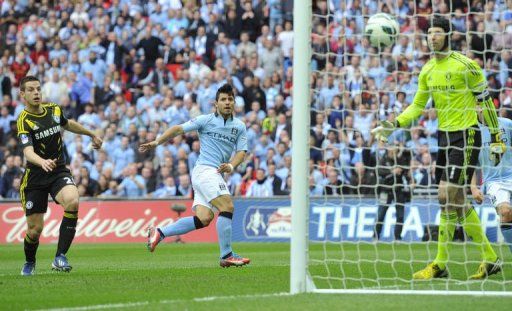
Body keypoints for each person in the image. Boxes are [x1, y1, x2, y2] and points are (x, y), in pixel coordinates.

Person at [372, 17, 503, 280]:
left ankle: (444, 262)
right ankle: (487, 258)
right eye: (429, 33)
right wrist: (393, 124)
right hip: (443, 138)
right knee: (451, 199)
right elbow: (417, 106)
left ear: (448, 35)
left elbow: (486, 101)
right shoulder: (428, 70)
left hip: (466, 135)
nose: (432, 37)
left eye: (437, 33)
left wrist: (497, 137)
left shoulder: (466, 66)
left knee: (449, 195)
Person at [140, 84, 250, 267]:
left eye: (230, 99)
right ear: (216, 104)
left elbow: (241, 152)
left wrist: (231, 165)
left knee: (204, 218)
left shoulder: (239, 126)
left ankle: (160, 232)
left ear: (234, 102)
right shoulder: (205, 120)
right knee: (227, 206)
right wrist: (158, 141)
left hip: (210, 175)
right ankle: (227, 255)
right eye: (223, 99)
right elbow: (177, 129)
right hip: (206, 170)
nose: (227, 102)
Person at [17, 76, 103, 276]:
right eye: (31, 90)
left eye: (38, 89)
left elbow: (68, 124)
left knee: (73, 201)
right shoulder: (24, 120)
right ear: (23, 94)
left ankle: (60, 256)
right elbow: (27, 151)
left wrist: (91, 134)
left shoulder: (54, 109)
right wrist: (41, 161)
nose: (36, 93)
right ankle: (30, 261)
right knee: (34, 230)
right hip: (35, 176)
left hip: (57, 170)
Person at [471, 117, 512, 255]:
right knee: (505, 213)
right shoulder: (473, 130)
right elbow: (470, 163)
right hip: (494, 181)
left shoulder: (507, 124)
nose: (481, 108)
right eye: (478, 105)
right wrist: (473, 188)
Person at [374, 144, 410, 241]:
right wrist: (392, 171)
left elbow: (406, 169)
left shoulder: (400, 159)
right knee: (381, 214)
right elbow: (379, 171)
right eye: (393, 148)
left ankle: (397, 238)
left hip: (398, 190)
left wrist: (401, 170)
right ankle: (375, 237)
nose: (395, 150)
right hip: (385, 189)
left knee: (400, 215)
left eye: (397, 148)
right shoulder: (383, 159)